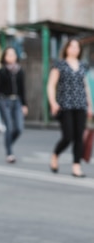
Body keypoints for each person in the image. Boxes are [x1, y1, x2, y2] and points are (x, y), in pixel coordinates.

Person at [47, 38, 93, 177]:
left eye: (77, 47)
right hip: (64, 105)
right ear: (66, 48)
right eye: (71, 46)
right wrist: (53, 103)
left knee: (79, 137)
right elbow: (51, 85)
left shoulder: (83, 65)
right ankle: (55, 154)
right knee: (68, 136)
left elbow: (85, 86)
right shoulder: (59, 64)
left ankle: (76, 166)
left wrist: (90, 105)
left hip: (80, 104)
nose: (74, 49)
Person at [0, 47, 28, 163]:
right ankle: (9, 153)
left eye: (13, 54)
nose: (11, 57)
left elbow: (22, 89)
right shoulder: (2, 71)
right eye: (8, 55)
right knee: (9, 127)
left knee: (19, 128)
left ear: (16, 56)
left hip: (17, 101)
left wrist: (24, 105)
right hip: (4, 101)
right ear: (4, 57)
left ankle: (8, 143)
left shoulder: (20, 71)